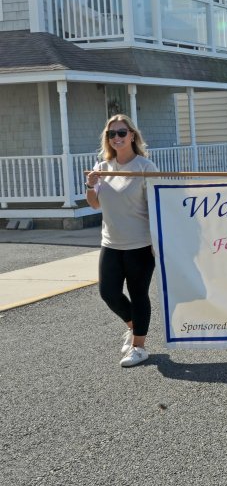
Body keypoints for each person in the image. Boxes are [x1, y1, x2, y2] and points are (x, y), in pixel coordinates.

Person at [85, 114, 158, 367]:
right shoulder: (102, 168)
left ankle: (139, 347)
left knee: (139, 294)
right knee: (109, 293)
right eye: (111, 134)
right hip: (111, 243)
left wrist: (156, 240)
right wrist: (90, 185)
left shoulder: (145, 168)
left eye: (121, 133)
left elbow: (156, 208)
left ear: (132, 136)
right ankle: (134, 327)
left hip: (140, 244)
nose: (116, 138)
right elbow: (95, 204)